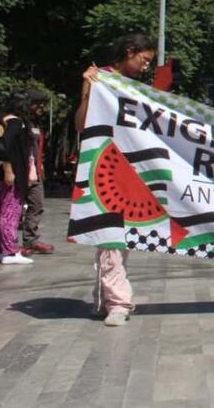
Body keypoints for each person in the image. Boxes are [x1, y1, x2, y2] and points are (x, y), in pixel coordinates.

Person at [75, 33, 157, 326]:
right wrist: (88, 90)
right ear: (130, 51)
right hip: (104, 168)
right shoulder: (101, 79)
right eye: (144, 60)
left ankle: (105, 299)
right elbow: (81, 124)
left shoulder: (133, 87)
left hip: (128, 170)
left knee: (115, 239)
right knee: (111, 238)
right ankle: (118, 302)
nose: (146, 67)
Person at [0, 94, 34, 265]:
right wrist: (9, 170)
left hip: (0, 174)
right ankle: (9, 251)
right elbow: (3, 145)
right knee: (10, 212)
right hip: (12, 173)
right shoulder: (16, 122)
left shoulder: (2, 120)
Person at [21, 89, 54, 256]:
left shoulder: (36, 123)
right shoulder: (19, 122)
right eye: (38, 104)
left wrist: (40, 167)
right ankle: (8, 245)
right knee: (13, 209)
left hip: (36, 171)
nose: (42, 107)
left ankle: (31, 240)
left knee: (37, 205)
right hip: (21, 171)